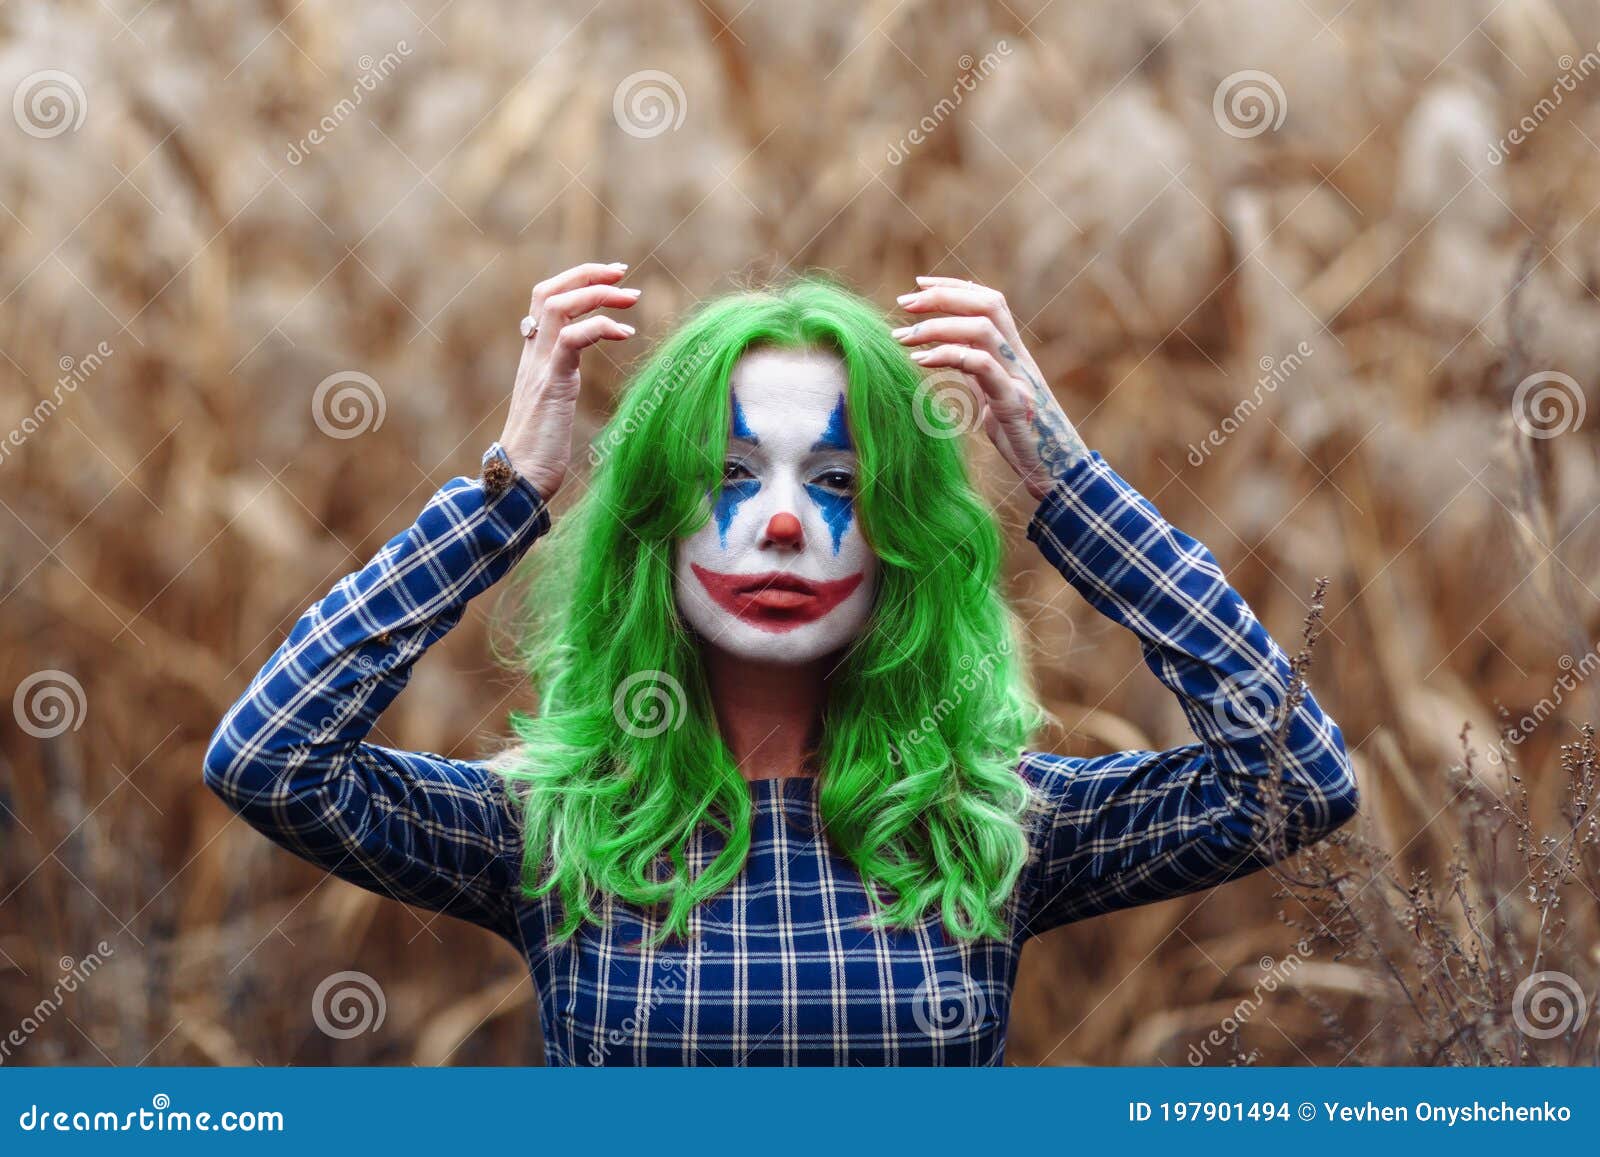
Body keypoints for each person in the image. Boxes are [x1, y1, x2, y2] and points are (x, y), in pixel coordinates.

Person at [203, 264, 1359, 1066]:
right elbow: (269, 759)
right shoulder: (555, 831)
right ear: (654, 523)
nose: (785, 523)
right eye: (730, 474)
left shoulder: (987, 826)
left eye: (841, 484)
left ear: (902, 536)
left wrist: (1067, 488)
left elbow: (1296, 778)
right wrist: (509, 491)